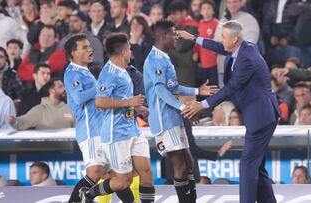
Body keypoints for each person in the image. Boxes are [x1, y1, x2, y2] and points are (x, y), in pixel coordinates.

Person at [177, 20, 280, 203]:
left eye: (223, 36)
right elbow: (219, 47)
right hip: (261, 114)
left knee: (247, 165)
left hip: (261, 117)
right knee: (257, 166)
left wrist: (203, 104)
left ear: (234, 39)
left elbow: (231, 87)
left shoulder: (246, 59)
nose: (220, 39)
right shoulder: (243, 47)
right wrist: (194, 39)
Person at [143, 20, 218, 203]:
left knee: (189, 163)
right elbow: (161, 91)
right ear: (163, 37)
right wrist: (183, 106)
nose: (176, 38)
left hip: (174, 116)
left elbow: (174, 87)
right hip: (164, 119)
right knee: (180, 166)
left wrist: (197, 91)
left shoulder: (165, 57)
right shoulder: (154, 60)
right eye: (173, 34)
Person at [81, 33, 155, 203]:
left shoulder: (123, 70)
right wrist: (130, 101)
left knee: (146, 173)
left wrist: (136, 107)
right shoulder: (108, 73)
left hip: (133, 130)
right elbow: (100, 101)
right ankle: (89, 194)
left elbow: (121, 100)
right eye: (129, 49)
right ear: (123, 52)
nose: (131, 52)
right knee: (123, 181)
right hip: (116, 135)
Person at [63, 34, 106, 203]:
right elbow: (79, 98)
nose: (90, 49)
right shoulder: (72, 73)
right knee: (95, 173)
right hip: (90, 130)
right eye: (85, 47)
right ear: (74, 53)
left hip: (99, 129)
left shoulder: (84, 71)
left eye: (90, 46)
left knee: (113, 174)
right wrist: (100, 88)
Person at [6, 78, 75, 130]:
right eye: (60, 87)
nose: (65, 89)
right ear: (52, 90)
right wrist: (13, 121)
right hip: (45, 148)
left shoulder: (70, 108)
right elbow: (22, 122)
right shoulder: (39, 110)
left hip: (68, 148)